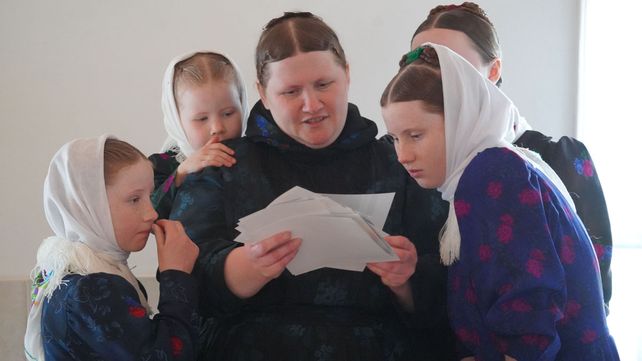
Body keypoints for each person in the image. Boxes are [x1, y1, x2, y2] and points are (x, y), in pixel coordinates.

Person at [171, 12, 456, 361]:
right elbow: (181, 284)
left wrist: (406, 279)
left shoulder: (399, 161)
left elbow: (450, 278)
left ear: (347, 75)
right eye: (291, 91)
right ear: (263, 93)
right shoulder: (221, 165)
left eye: (323, 85)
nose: (311, 105)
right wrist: (244, 267)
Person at [381, 42, 619, 360]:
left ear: (459, 120)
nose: (403, 155)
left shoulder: (491, 172)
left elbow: (528, 301)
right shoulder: (497, 164)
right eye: (396, 138)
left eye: (416, 135)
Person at [410, 2, 613, 311]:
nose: (440, 81)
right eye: (425, 68)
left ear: (493, 70)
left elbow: (595, 290)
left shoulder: (555, 159)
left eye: (455, 67)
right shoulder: (408, 164)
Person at [24, 135, 200, 360]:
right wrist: (177, 275)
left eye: (150, 195)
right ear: (89, 206)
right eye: (135, 199)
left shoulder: (78, 269)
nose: (152, 213)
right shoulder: (91, 287)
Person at [150, 51, 248, 219]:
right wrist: (182, 172)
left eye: (228, 113)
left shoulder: (257, 151)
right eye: (202, 118)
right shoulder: (162, 166)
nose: (217, 128)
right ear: (177, 121)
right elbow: (149, 216)